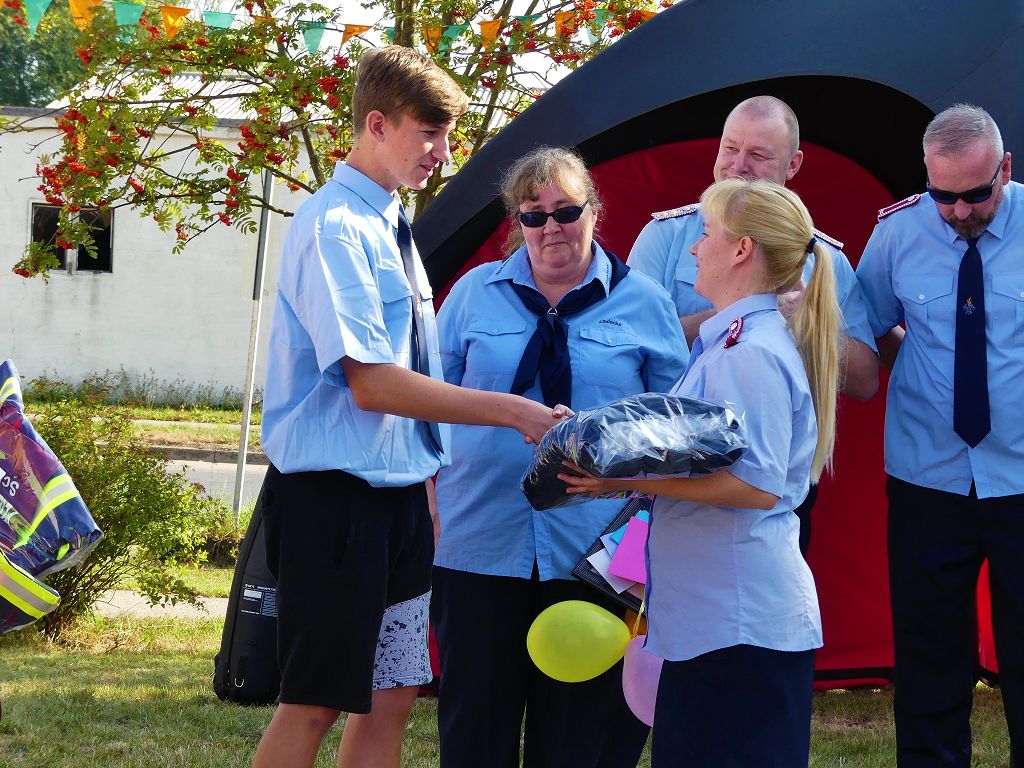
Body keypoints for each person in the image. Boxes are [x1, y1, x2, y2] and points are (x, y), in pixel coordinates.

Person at [251, 47, 565, 768]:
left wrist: (422, 481)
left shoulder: (390, 220)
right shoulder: (335, 226)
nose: (443, 154)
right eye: (429, 134)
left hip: (394, 500)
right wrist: (512, 411)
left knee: (392, 695)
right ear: (376, 124)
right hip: (334, 501)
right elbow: (372, 383)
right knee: (316, 702)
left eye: (447, 136)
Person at [561, 178, 840, 767]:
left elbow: (756, 485)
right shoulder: (732, 343)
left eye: (707, 233)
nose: (694, 247)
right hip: (716, 620)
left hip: (737, 625)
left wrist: (622, 480)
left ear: (741, 250)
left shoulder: (749, 352)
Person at [430, 146, 688, 768]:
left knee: (579, 736)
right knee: (473, 730)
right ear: (517, 223)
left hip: (595, 554)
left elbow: (677, 429)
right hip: (479, 539)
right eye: (533, 215)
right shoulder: (472, 295)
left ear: (594, 211)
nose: (551, 228)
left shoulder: (644, 301)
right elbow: (426, 405)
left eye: (566, 211)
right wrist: (430, 501)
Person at [628, 95, 878, 555]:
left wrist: (806, 321)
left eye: (758, 155)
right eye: (730, 148)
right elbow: (630, 347)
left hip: (770, 477)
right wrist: (750, 311)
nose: (738, 166)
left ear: (793, 164)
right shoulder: (667, 235)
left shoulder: (824, 257)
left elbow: (864, 381)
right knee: (654, 592)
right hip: (667, 463)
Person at [855, 103, 1022, 767]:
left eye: (976, 195)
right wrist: (921, 365)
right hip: (928, 475)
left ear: (1004, 169)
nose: (958, 212)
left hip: (1021, 475)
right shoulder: (897, 233)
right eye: (942, 195)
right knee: (928, 654)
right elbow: (865, 326)